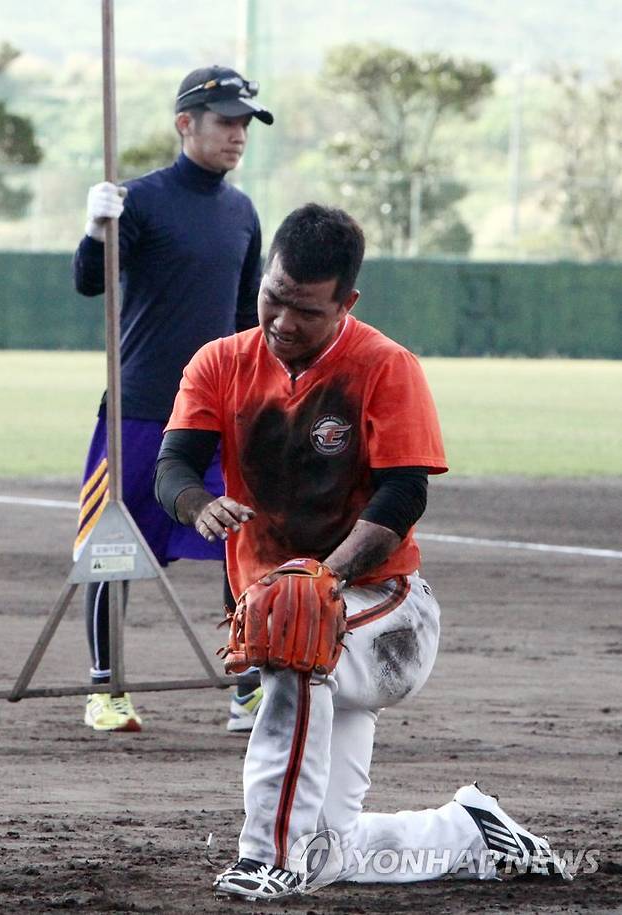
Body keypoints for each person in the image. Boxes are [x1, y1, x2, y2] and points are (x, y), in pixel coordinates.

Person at [154, 203, 572, 899]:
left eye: (306, 310)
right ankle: (471, 830)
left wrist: (326, 576)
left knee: (294, 634)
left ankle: (265, 857)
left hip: (389, 612)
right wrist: (198, 504)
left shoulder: (384, 366)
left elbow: (403, 495)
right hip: (298, 613)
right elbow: (174, 466)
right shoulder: (221, 362)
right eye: (274, 297)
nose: (283, 321)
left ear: (346, 303)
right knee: (330, 850)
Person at [73, 65, 272, 733]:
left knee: (241, 540)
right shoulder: (139, 200)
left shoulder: (242, 213)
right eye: (226, 122)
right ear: (186, 123)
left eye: (245, 124)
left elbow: (245, 321)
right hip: (138, 407)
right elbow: (87, 282)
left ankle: (247, 687)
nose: (238, 135)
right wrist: (97, 228)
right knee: (112, 545)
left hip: (216, 413)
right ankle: (106, 689)